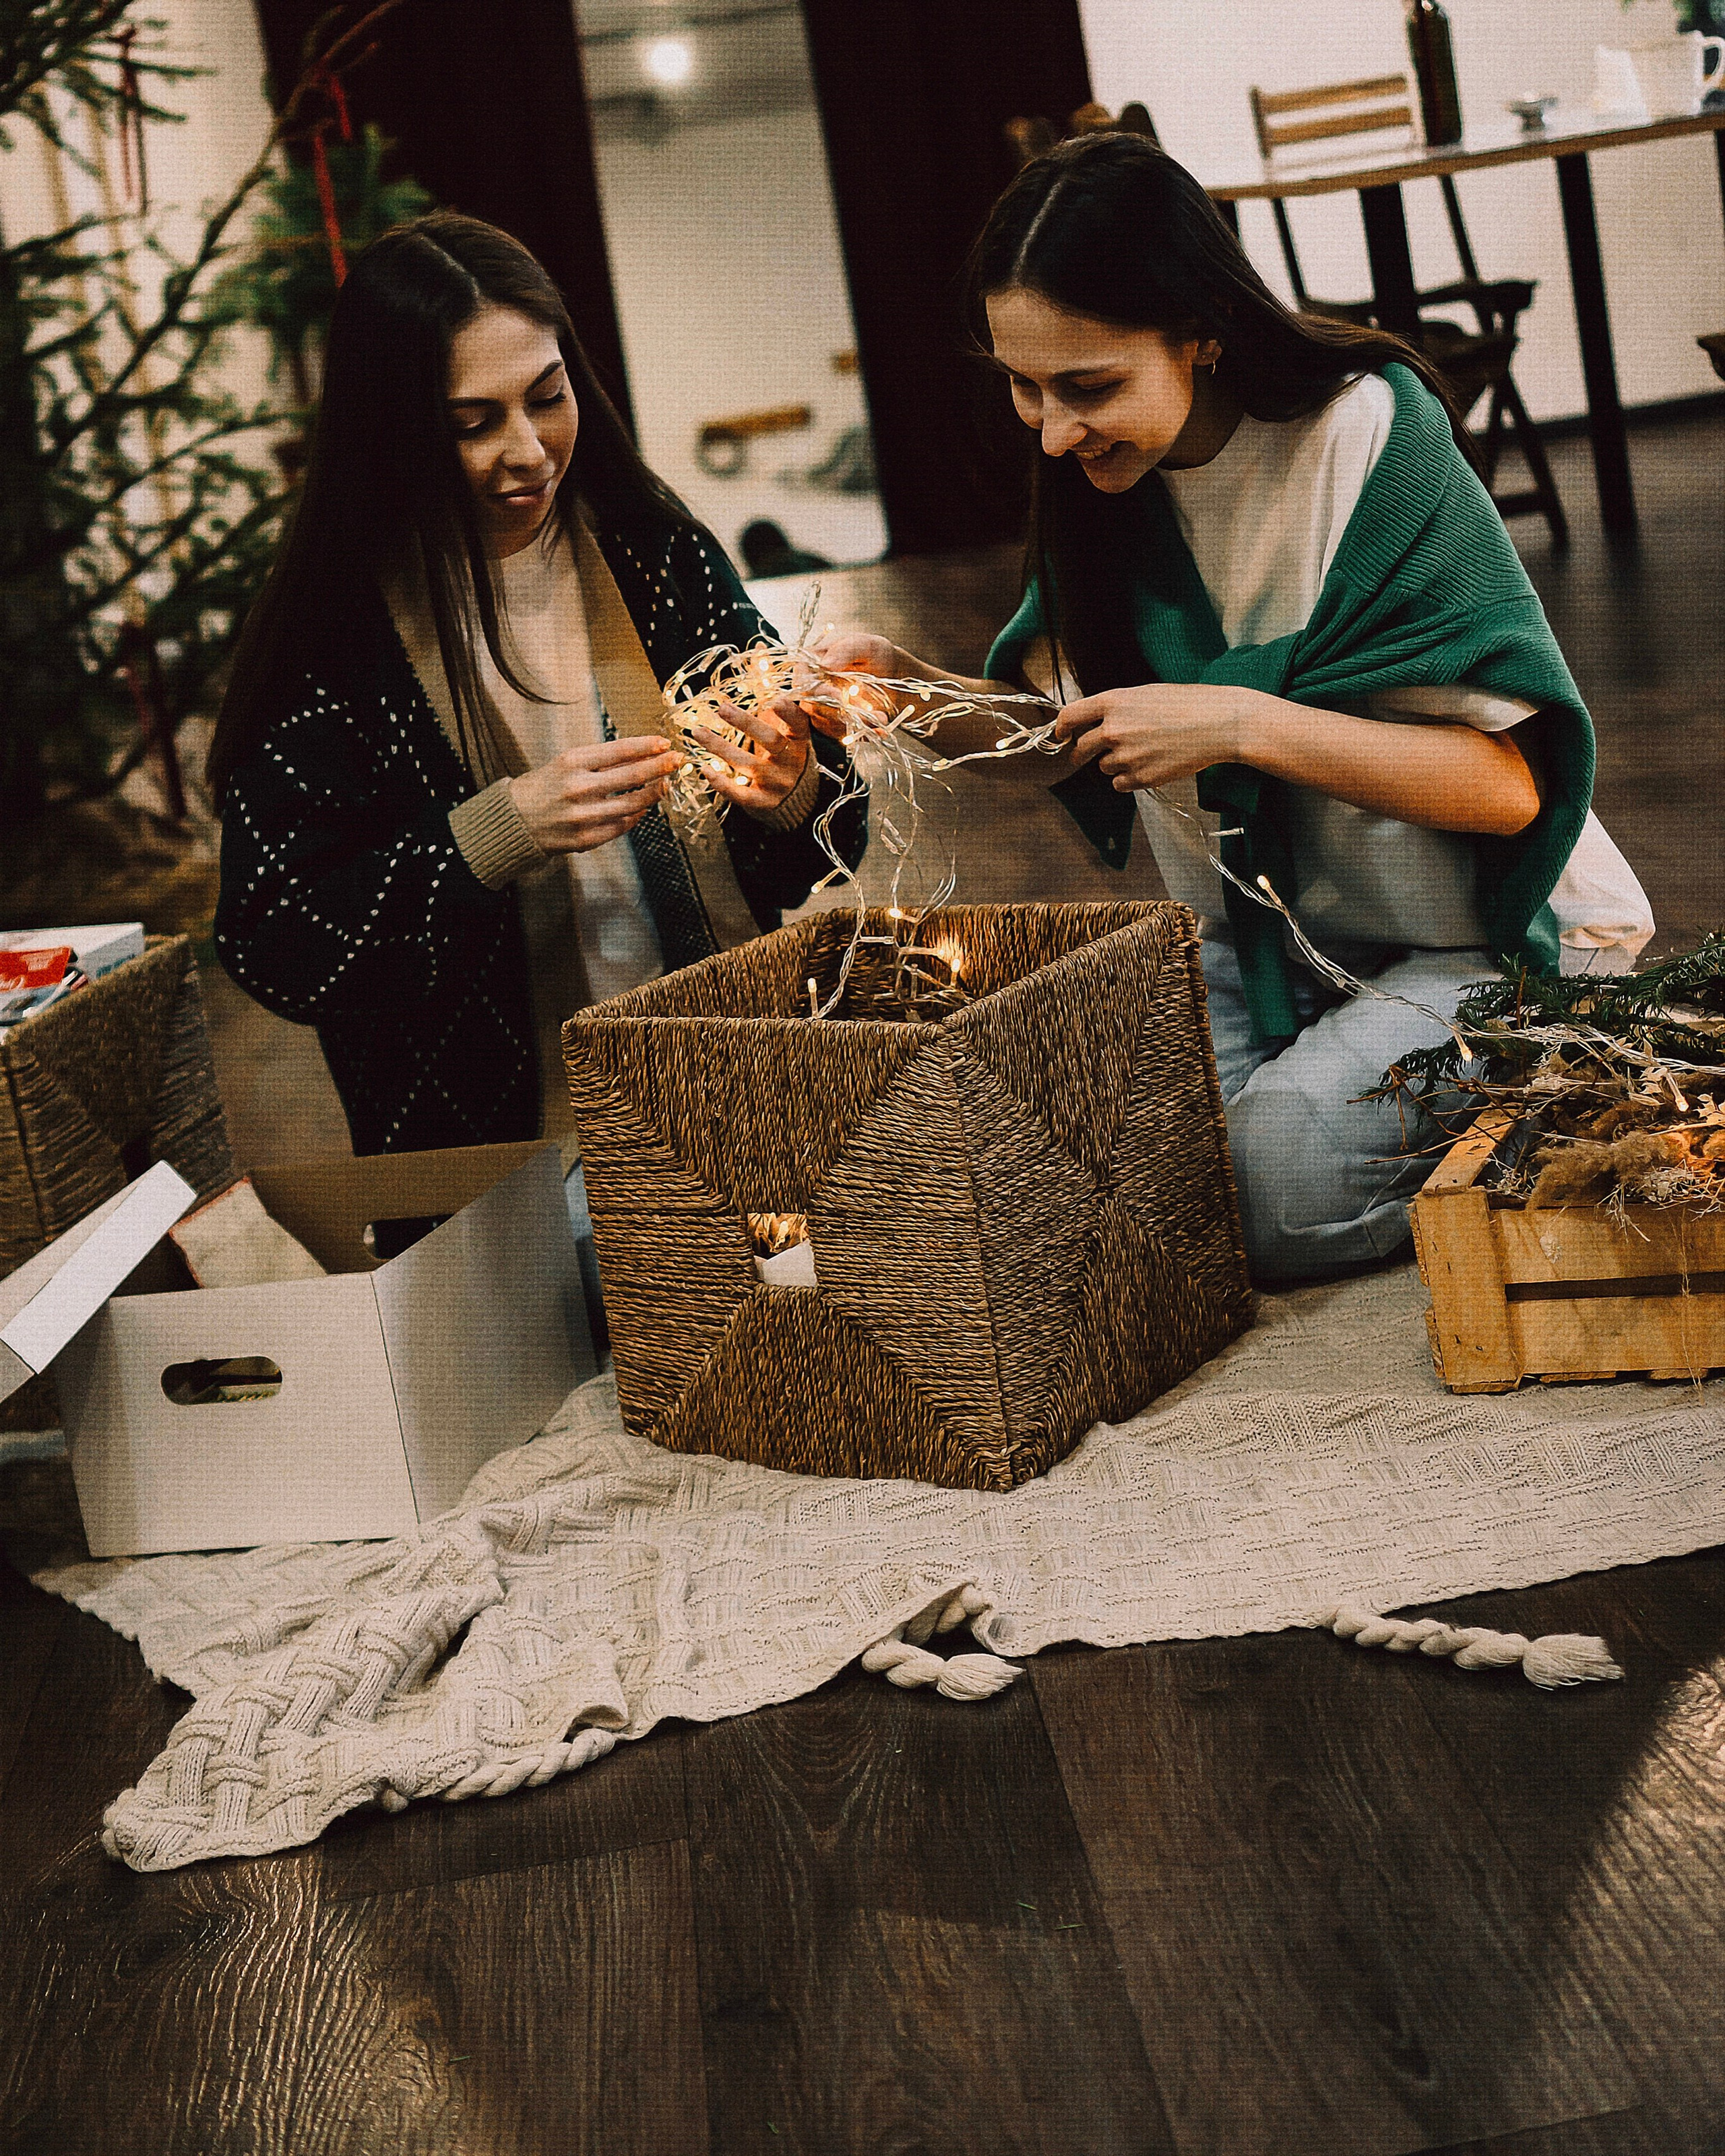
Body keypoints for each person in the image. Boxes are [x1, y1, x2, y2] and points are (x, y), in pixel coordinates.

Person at [797, 134, 1651, 1283]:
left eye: (1089, 387)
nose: (1051, 430)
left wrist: (1238, 723)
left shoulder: (1365, 434)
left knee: (1262, 1179)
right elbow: (1063, 742)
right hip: (1270, 947)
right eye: (1022, 385)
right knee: (1032, 1131)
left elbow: (1510, 795)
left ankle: (1563, 1084)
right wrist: (904, 688)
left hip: (1485, 933)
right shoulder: (1101, 474)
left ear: (1202, 329)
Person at [210, 214, 861, 1188]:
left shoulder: (657, 557)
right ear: (390, 428)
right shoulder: (333, 638)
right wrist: (493, 835)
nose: (529, 451)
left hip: (732, 1096)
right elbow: (275, 939)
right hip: (496, 1169)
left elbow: (830, 837)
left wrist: (796, 786)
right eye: (471, 424)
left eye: (548, 398)